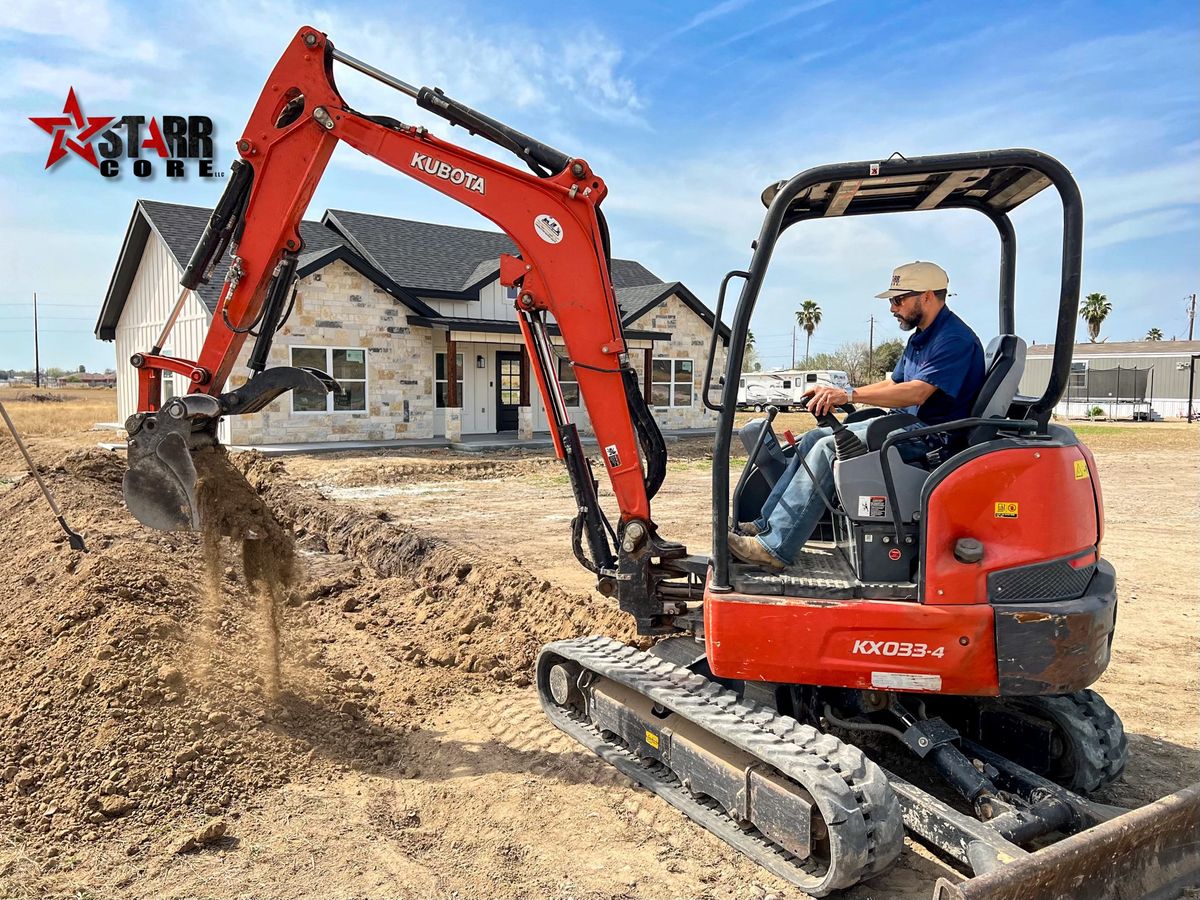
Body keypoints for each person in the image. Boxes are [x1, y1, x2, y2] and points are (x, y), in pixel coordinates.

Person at [729, 261, 985, 572]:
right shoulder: (923, 336)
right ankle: (766, 524)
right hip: (907, 428)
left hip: (931, 438)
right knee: (813, 437)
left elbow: (917, 392)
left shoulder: (954, 339)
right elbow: (894, 383)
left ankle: (774, 548)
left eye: (898, 299)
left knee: (829, 448)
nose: (892, 308)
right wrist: (843, 392)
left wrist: (849, 396)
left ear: (928, 296)